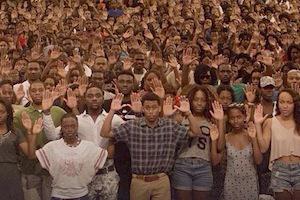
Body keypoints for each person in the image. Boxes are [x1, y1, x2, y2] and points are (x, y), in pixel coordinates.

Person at [100, 92, 203, 200]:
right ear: (142, 109)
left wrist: (188, 113)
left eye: (154, 107)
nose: (151, 111)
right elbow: (104, 133)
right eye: (147, 108)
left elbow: (196, 133)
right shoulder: (132, 126)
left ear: (159, 108)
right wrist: (112, 111)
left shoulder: (169, 125)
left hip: (161, 180)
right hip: (139, 180)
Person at [34, 113, 108, 199]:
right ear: (61, 128)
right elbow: (32, 155)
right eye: (66, 126)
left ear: (77, 127)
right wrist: (32, 135)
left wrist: (110, 136)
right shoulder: (52, 147)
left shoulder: (89, 147)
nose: (69, 129)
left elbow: (106, 155)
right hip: (58, 195)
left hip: (82, 195)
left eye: (73, 126)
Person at [171, 85, 225, 200]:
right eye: (196, 99)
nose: (199, 103)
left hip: (204, 166)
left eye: (203, 100)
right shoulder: (181, 118)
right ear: (191, 100)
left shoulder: (211, 121)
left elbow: (220, 146)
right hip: (182, 164)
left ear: (207, 103)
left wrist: (220, 121)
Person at [254, 89, 300, 200]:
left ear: (295, 104)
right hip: (280, 170)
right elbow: (264, 148)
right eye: (282, 102)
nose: (285, 106)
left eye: (289, 102)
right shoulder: (271, 122)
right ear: (277, 103)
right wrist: (258, 125)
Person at [211, 103, 262, 200]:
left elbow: (258, 161)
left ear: (244, 117)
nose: (235, 121)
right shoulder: (226, 137)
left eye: (238, 117)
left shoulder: (251, 134)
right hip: (231, 182)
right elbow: (216, 158)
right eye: (232, 118)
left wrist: (254, 138)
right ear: (228, 120)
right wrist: (220, 122)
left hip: (250, 181)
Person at [0, 98, 39, 200]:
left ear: (8, 113)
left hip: (11, 175)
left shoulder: (15, 132)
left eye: (2, 112)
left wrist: (31, 133)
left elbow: (31, 155)